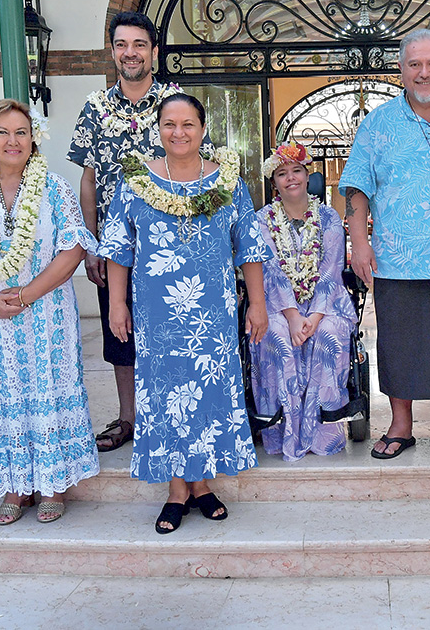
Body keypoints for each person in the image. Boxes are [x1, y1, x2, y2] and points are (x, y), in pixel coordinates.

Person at [97, 94, 271, 533]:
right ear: (158, 128)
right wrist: (117, 303)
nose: (179, 132)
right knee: (166, 397)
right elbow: (119, 248)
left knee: (206, 396)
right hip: (157, 314)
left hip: (212, 313)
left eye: (188, 123)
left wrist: (258, 303)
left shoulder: (228, 181)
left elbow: (249, 247)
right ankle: (177, 489)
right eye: (170, 124)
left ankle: (203, 483)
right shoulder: (135, 181)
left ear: (202, 127)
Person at [0, 99, 99, 525]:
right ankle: (14, 486)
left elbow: (74, 247)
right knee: (4, 394)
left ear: (33, 138)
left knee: (46, 388)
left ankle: (52, 485)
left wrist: (27, 294)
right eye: (3, 132)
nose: (13, 140)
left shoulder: (54, 187)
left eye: (21, 132)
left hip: (46, 313)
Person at [339, 28, 430, 459]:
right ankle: (401, 425)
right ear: (401, 69)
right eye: (414, 65)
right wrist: (359, 242)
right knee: (399, 343)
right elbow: (356, 187)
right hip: (397, 254)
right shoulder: (377, 123)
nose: (424, 73)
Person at [68, 10, 191, 453]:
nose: (130, 53)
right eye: (122, 45)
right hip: (116, 249)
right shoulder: (95, 108)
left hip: (169, 249)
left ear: (154, 52)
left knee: (171, 333)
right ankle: (129, 418)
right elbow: (88, 178)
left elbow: (196, 169)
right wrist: (90, 244)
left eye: (139, 44)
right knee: (121, 335)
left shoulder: (177, 104)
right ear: (113, 52)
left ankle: (171, 413)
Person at [250, 141, 357, 461]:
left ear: (307, 176)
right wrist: (295, 317)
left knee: (329, 335)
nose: (291, 178)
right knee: (277, 335)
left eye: (296, 170)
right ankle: (282, 429)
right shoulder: (261, 220)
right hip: (276, 305)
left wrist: (315, 316)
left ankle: (323, 431)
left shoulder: (328, 218)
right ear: (274, 183)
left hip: (327, 304)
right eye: (282, 173)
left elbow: (330, 271)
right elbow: (270, 272)